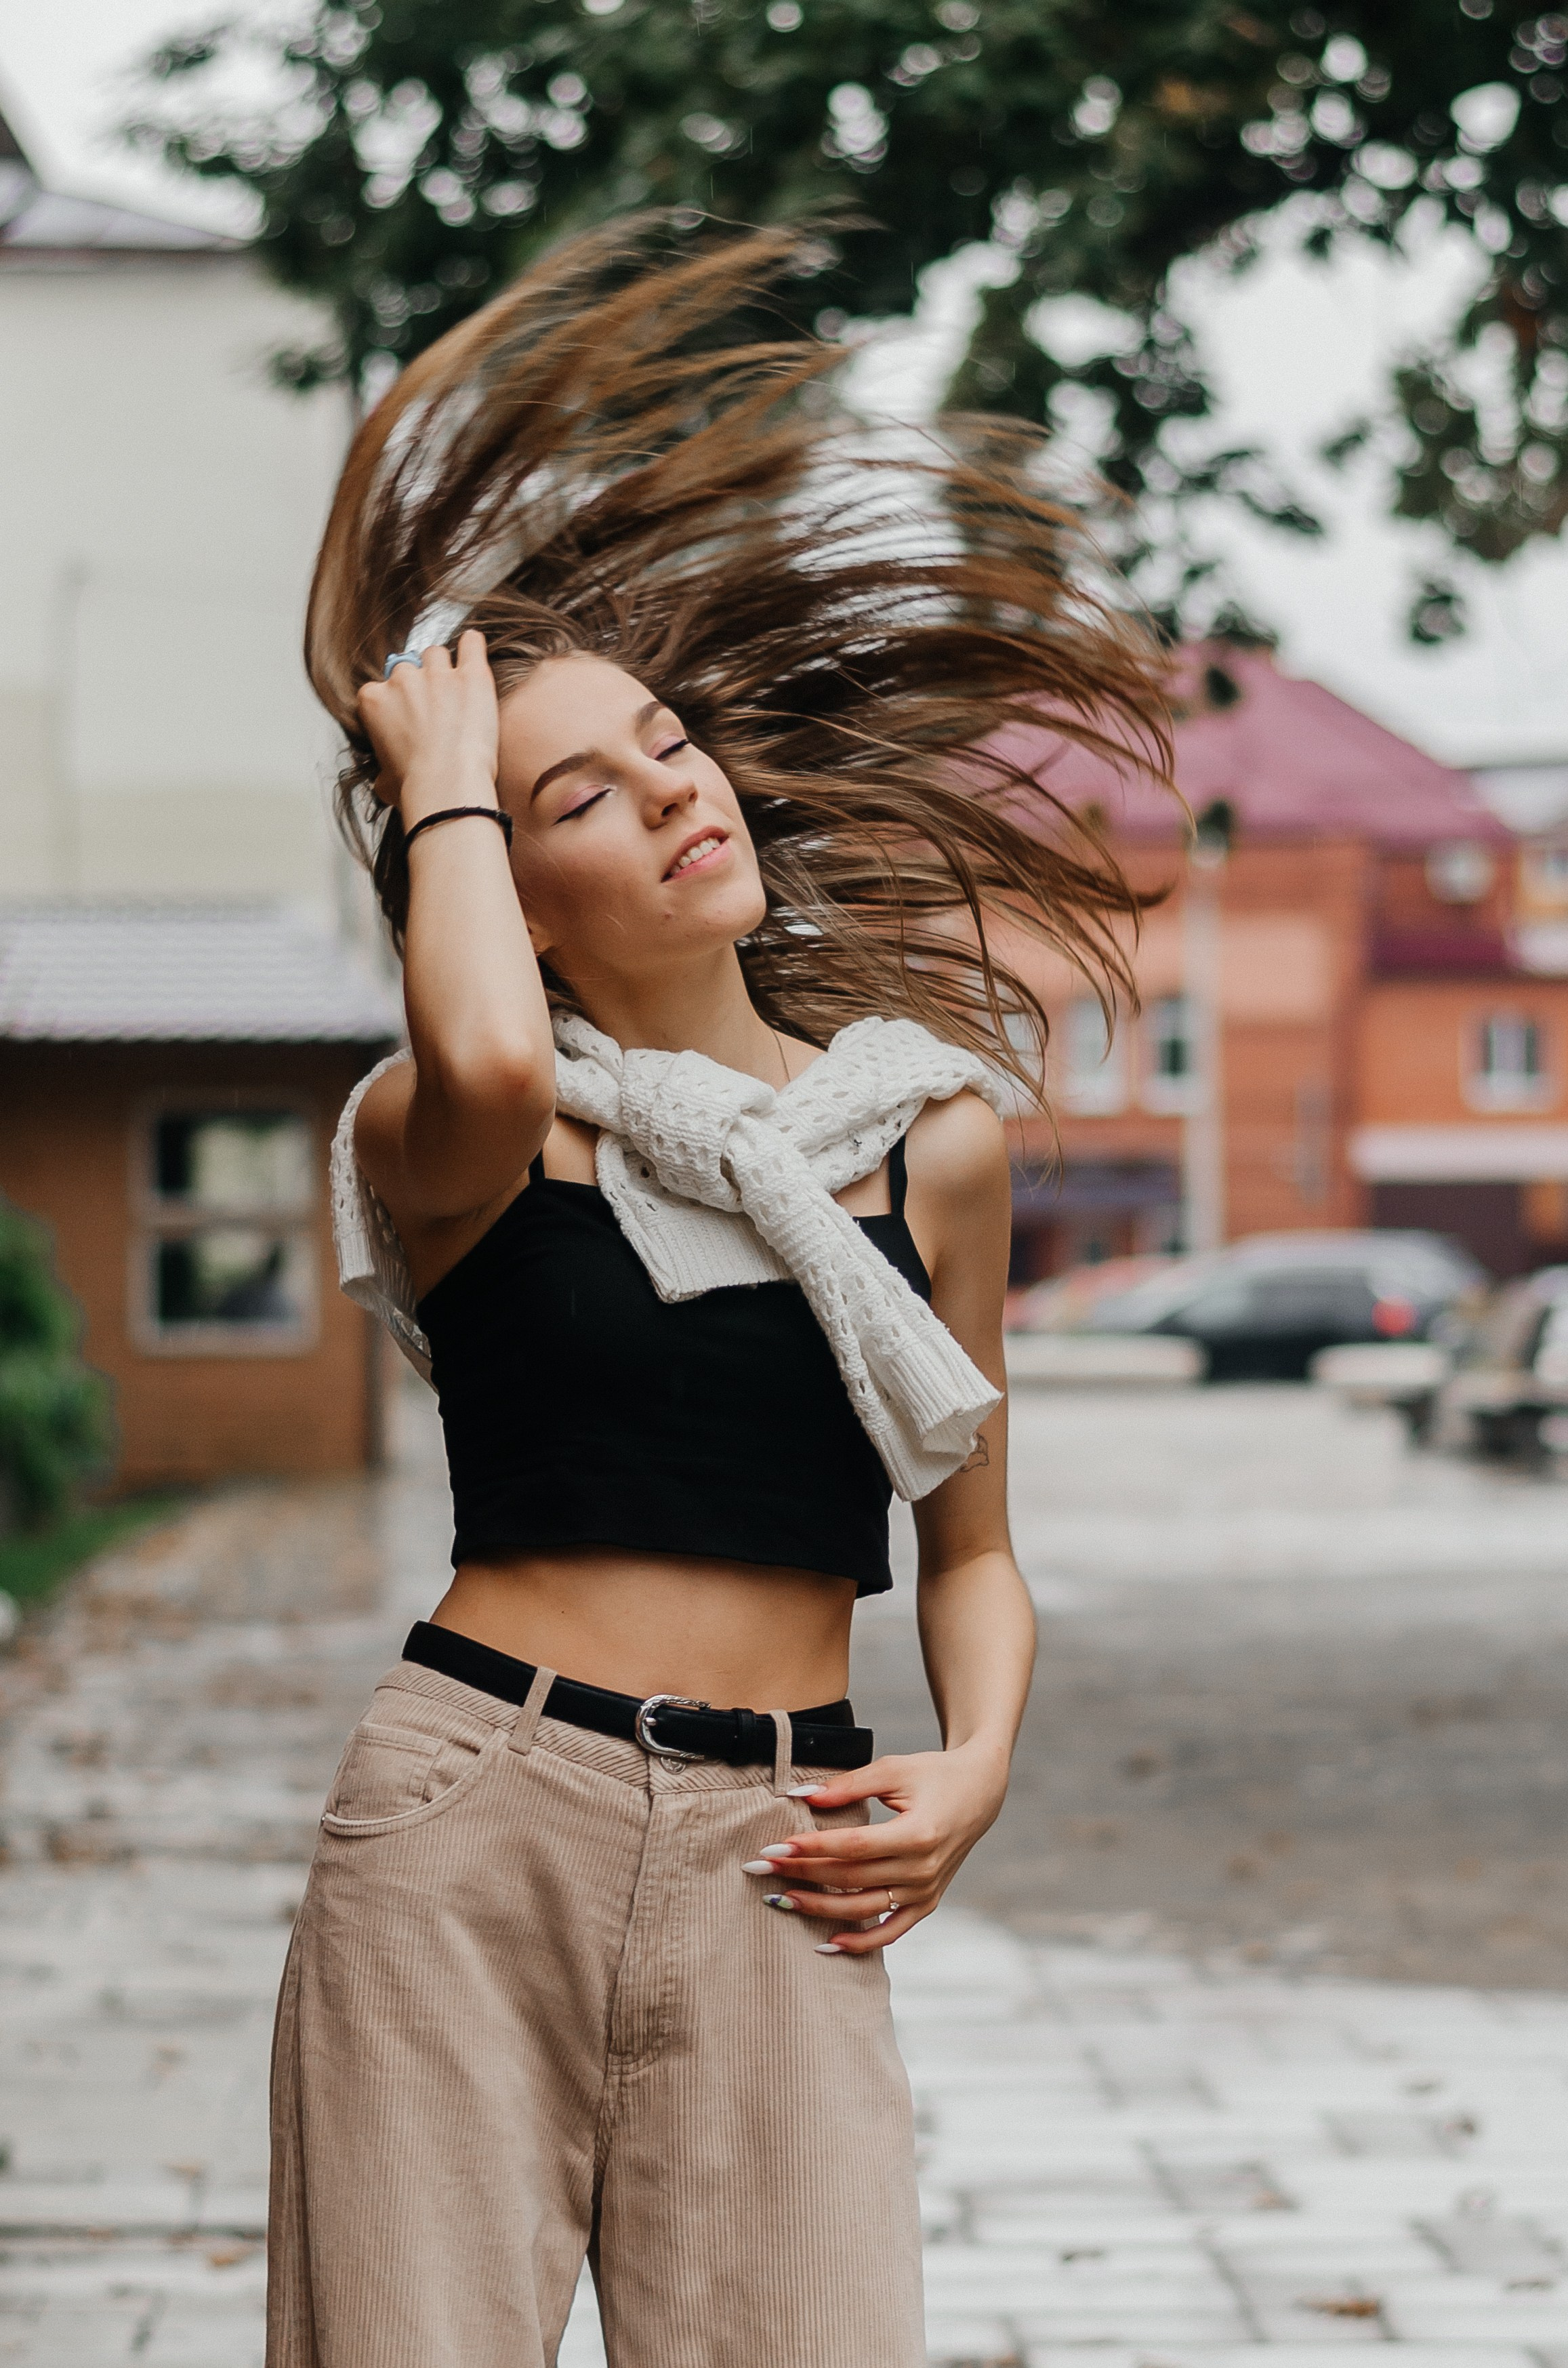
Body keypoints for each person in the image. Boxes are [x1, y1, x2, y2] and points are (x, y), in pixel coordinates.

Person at [268, 219, 1168, 2368]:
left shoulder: (919, 1135)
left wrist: (978, 1766)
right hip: (472, 1819)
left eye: (668, 741)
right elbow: (486, 1042)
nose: (669, 789)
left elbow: (975, 1551)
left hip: (790, 1842)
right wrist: (443, 767)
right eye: (577, 793)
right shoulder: (465, 1131)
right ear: (502, 883)